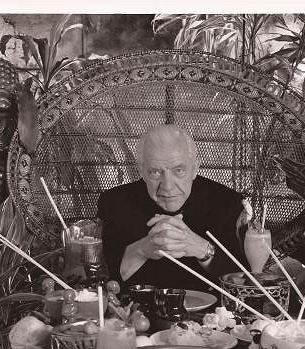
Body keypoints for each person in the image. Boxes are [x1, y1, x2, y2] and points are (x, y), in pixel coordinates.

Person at [98, 124, 246, 290]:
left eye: (179, 170)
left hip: (215, 306)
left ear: (195, 168)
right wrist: (142, 250)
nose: (167, 186)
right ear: (141, 171)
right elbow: (103, 283)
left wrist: (203, 249)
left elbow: (243, 283)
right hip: (135, 305)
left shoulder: (226, 203)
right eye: (155, 172)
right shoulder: (114, 203)